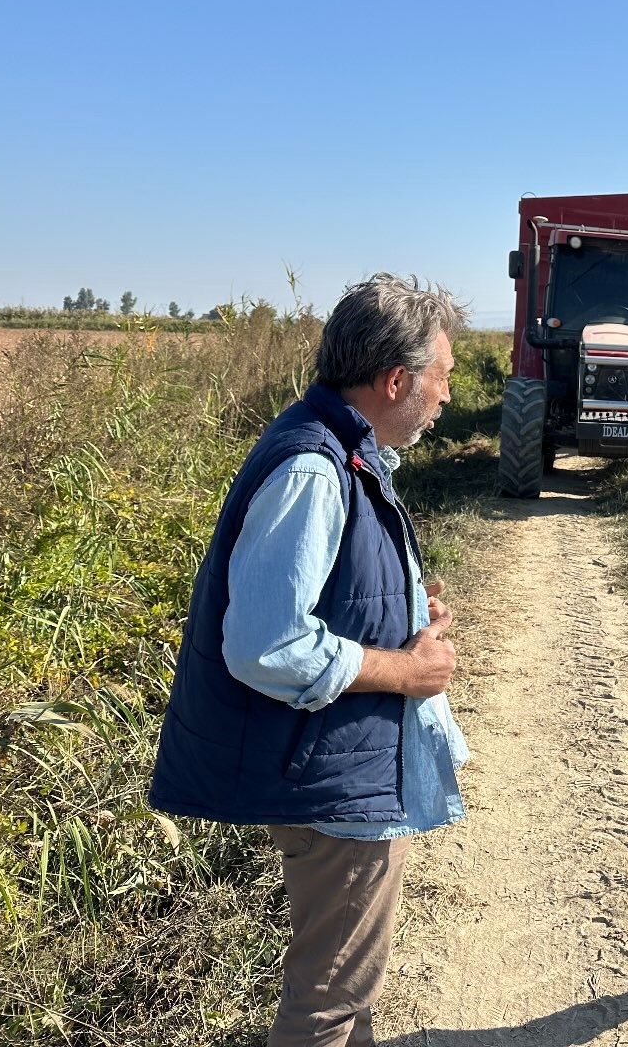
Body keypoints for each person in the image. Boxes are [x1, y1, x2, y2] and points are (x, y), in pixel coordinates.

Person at [150, 275, 467, 1047]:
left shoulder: (340, 450)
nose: (448, 397)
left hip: (335, 766)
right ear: (396, 380)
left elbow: (318, 594)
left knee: (347, 991)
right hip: (332, 781)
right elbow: (267, 643)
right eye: (443, 378)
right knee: (328, 1001)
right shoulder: (313, 467)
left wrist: (401, 606)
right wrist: (407, 671)